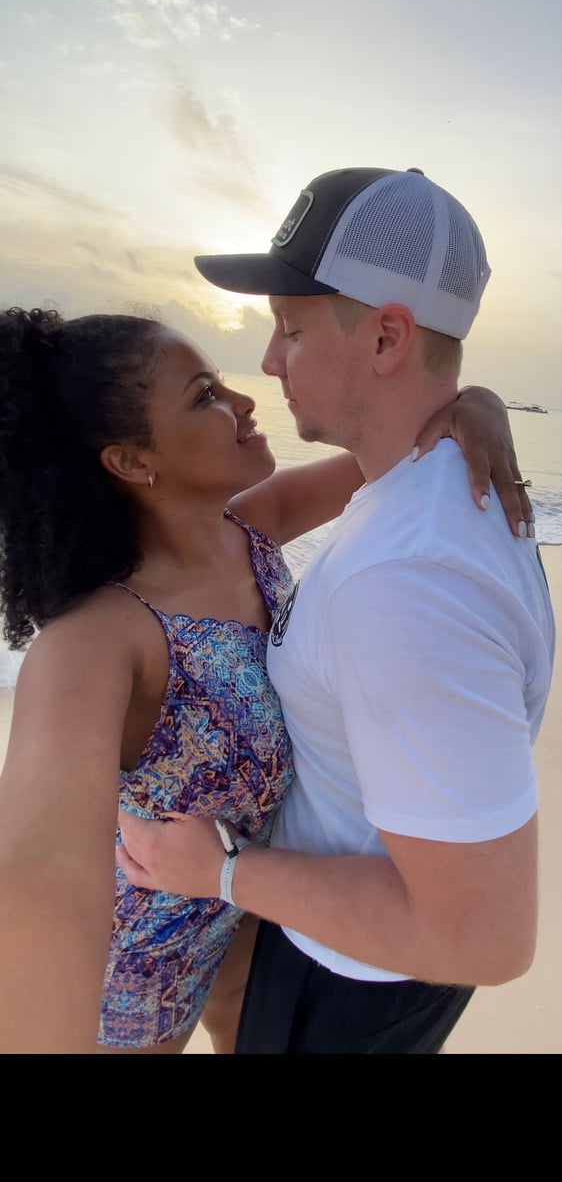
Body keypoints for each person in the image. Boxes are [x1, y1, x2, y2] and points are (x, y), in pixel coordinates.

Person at [0, 299, 529, 1055]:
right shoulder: (95, 640)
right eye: (204, 396)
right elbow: (39, 868)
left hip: (245, 919)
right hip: (132, 984)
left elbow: (393, 446)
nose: (243, 399)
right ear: (129, 459)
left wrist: (478, 405)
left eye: (218, 382)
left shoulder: (245, 532)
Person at [117, 164, 556, 1056]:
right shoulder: (425, 484)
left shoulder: (406, 584)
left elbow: (483, 937)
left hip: (352, 977)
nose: (269, 362)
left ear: (387, 337)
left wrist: (223, 871)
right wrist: (469, 402)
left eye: (290, 330)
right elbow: (255, 519)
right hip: (339, 940)